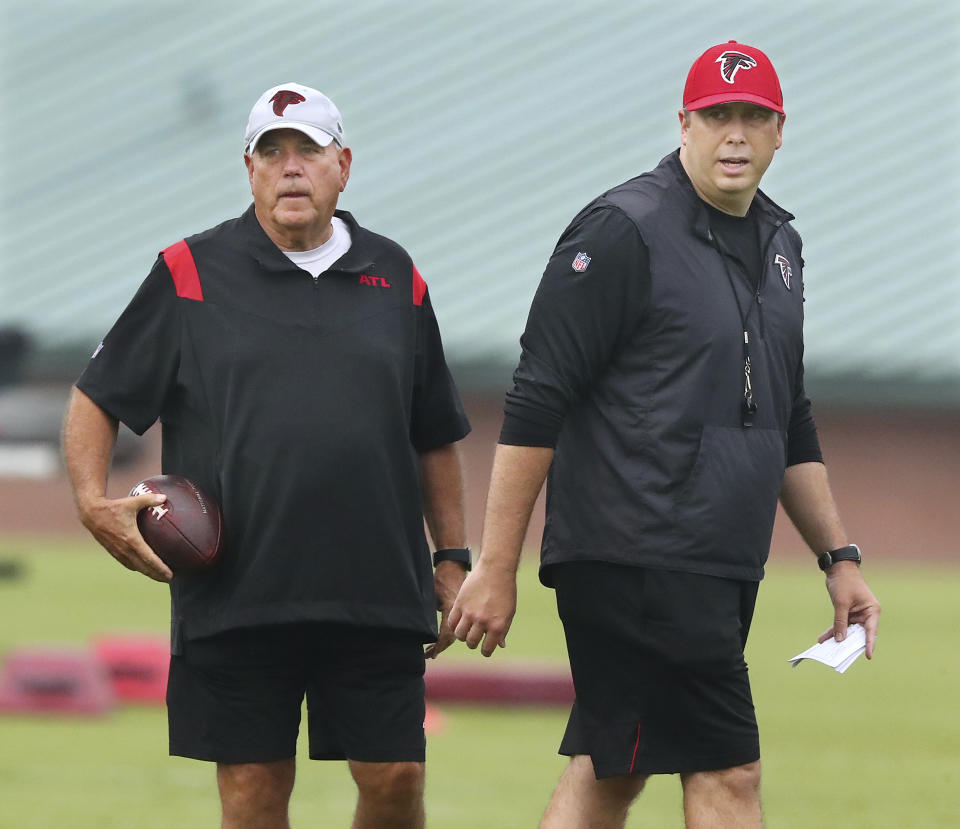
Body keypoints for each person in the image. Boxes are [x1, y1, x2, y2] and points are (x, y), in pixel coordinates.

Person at [449, 41, 881, 828]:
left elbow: (788, 414)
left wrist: (839, 558)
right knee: (729, 769)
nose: (737, 134)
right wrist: (496, 565)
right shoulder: (623, 230)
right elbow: (537, 397)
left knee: (615, 766)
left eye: (755, 117)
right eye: (718, 116)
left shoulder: (783, 248)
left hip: (714, 560)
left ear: (782, 130)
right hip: (636, 551)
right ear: (684, 124)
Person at [62, 82, 472, 829]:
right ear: (247, 168)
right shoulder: (189, 272)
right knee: (253, 794)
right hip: (236, 594)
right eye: (271, 152)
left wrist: (452, 557)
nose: (290, 168)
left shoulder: (398, 276)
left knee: (396, 776)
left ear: (342, 165)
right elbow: (97, 396)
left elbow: (435, 432)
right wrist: (94, 503)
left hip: (374, 588)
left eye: (308, 151)